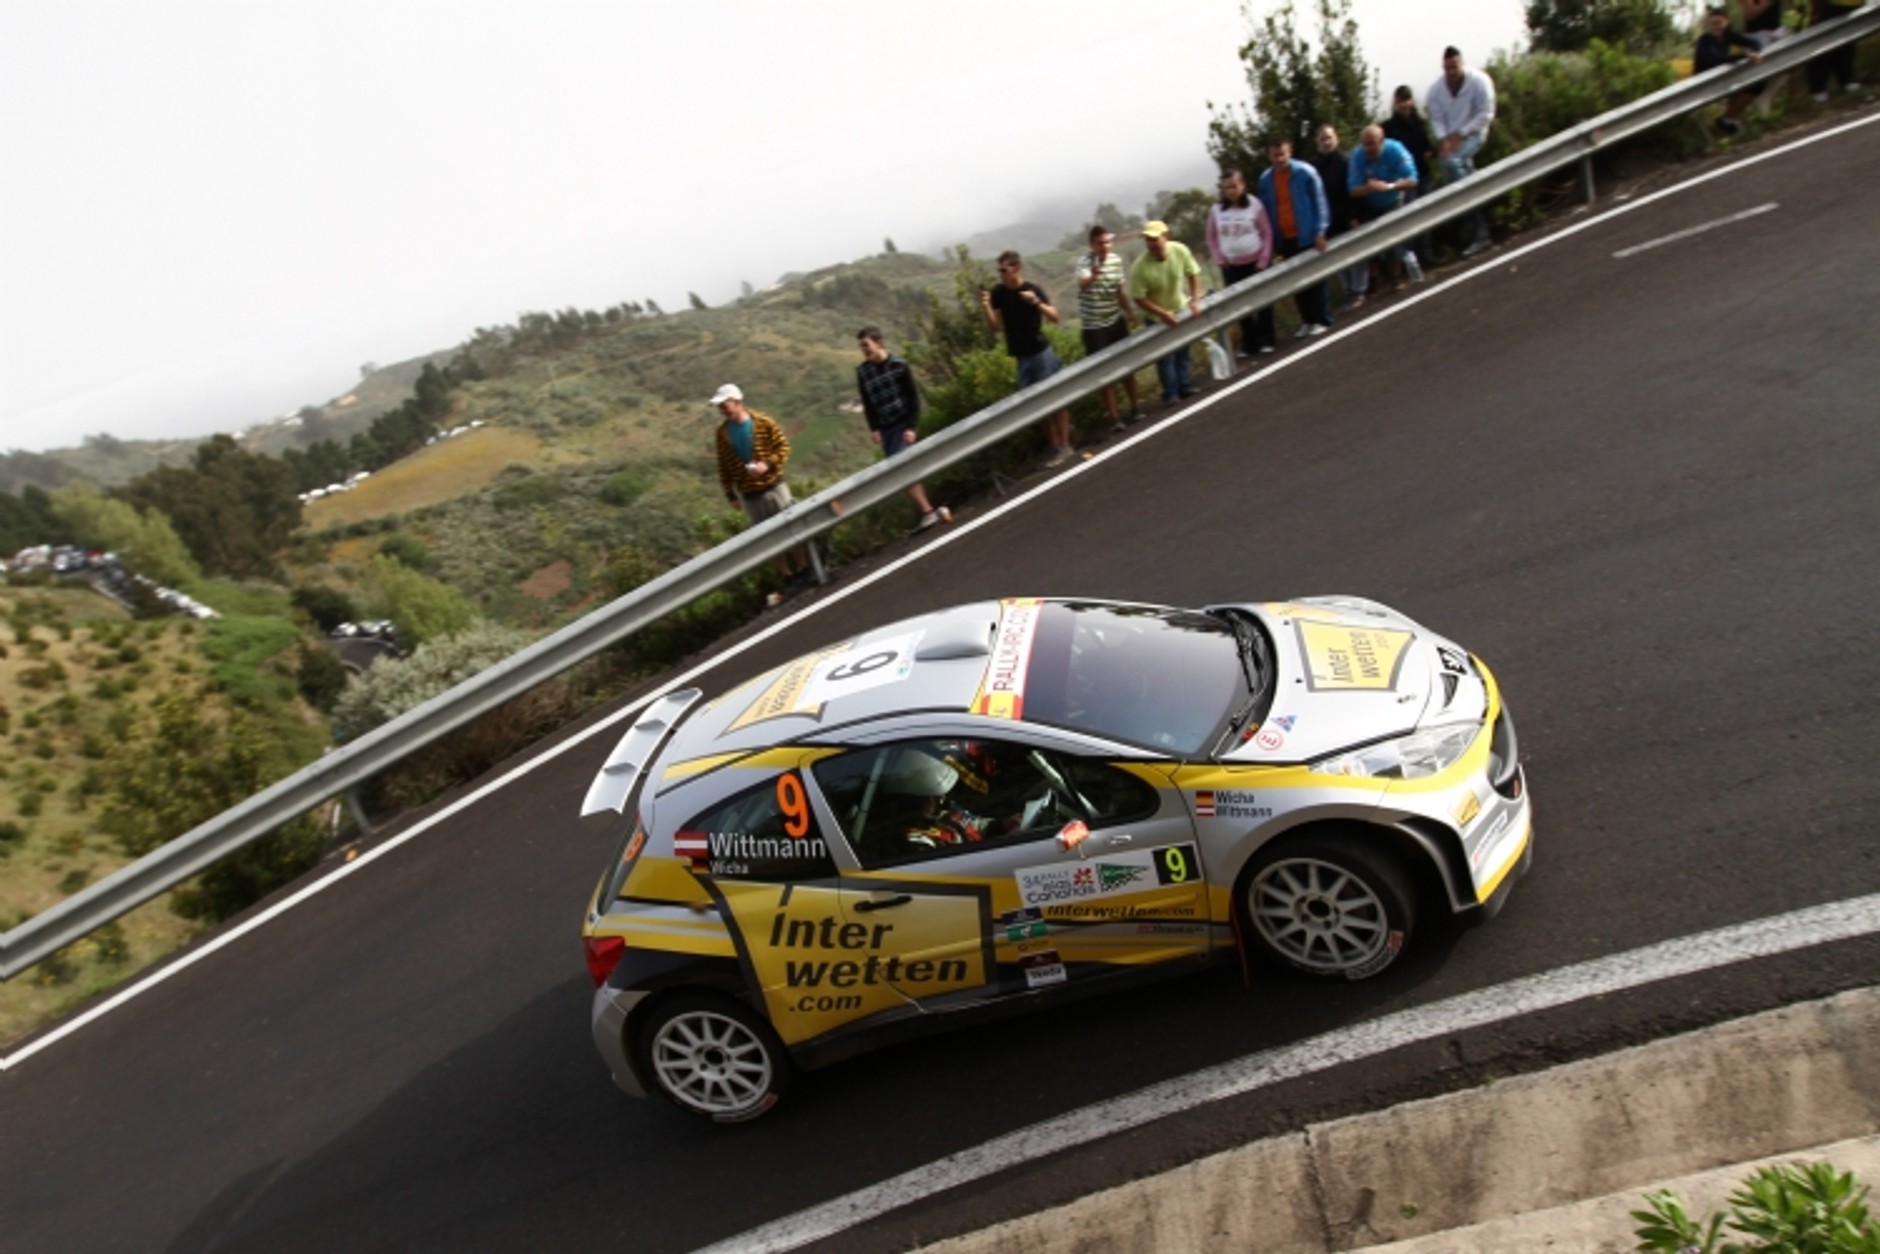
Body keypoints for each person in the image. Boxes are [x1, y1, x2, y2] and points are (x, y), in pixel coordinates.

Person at [710, 383, 808, 595]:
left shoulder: (763, 422)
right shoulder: (722, 433)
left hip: (774, 486)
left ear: (737, 402)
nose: (722, 409)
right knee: (768, 539)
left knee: (791, 527)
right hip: (749, 493)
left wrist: (768, 464)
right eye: (720, 406)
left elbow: (783, 447)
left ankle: (803, 568)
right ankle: (787, 576)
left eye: (725, 404)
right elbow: (723, 465)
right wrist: (730, 494)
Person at [980, 251, 1074, 467]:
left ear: (1016, 268)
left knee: (1055, 400)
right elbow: (994, 326)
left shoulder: (1032, 290)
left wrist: (1036, 303)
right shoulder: (999, 294)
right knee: (1035, 406)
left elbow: (1055, 316)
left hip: (1041, 352)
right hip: (1021, 356)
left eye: (1004, 269)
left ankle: (1065, 445)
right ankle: (1055, 444)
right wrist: (985, 305)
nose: (1001, 274)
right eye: (999, 270)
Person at [855, 327, 950, 531]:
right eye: (862, 347)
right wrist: (874, 428)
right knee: (902, 472)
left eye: (866, 345)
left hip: (902, 425)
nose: (864, 350)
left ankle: (927, 511)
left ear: (878, 342)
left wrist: (911, 426)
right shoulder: (863, 372)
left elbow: (912, 398)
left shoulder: (899, 366)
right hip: (886, 428)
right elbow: (868, 403)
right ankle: (931, 510)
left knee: (900, 470)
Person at [1256, 136, 1333, 338]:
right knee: (1296, 282)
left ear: (1289, 151)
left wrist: (1320, 231)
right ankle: (1307, 320)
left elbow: (1320, 202)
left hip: (1307, 235)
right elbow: (1265, 210)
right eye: (1275, 155)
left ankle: (1321, 319)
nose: (1279, 158)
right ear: (1269, 156)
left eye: (1282, 154)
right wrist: (1272, 241)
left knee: (1314, 279)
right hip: (1285, 238)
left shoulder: (1305, 172)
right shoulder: (1266, 180)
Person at [1427, 46, 1497, 257]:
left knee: (1452, 164)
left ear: (1462, 64)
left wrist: (1461, 134)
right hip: (1451, 138)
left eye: (1454, 66)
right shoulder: (1436, 90)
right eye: (1447, 67)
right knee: (1450, 166)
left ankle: (1480, 230)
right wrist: (1444, 139)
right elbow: (1437, 118)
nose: (1451, 71)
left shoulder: (1479, 82)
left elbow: (1486, 114)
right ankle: (1478, 203)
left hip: (1474, 132)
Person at [1074, 226, 1144, 430]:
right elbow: (1083, 283)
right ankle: (1114, 418)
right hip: (1094, 326)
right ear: (1091, 245)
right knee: (1103, 374)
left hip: (1115, 320)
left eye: (1107, 242)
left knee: (1126, 367)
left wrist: (1129, 313)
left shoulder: (1115, 261)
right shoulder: (1084, 263)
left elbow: (1119, 291)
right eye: (1099, 243)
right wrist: (1093, 275)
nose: (1104, 247)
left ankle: (1135, 407)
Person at [1127, 220, 1204, 405]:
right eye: (1147, 240)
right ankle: (1171, 393)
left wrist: (1195, 299)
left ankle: (1185, 386)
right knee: (1165, 358)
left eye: (1155, 239)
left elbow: (1193, 273)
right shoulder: (1140, 267)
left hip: (1180, 308)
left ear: (1166, 237)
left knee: (1183, 351)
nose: (1151, 244)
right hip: (1157, 318)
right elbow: (1139, 297)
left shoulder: (1179, 250)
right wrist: (1162, 313)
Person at [1206, 169, 1275, 357]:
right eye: (1227, 187)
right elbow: (1211, 237)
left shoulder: (1254, 204)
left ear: (1243, 185)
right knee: (1239, 307)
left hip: (1256, 263)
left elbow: (1267, 232)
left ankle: (1267, 340)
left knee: (1263, 302)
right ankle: (1250, 343)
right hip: (1231, 266)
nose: (1231, 191)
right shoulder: (1216, 210)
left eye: (1235, 186)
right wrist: (1219, 258)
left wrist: (1263, 259)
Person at [1347, 125, 1421, 291]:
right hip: (1369, 203)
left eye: (1371, 144)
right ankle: (1375, 279)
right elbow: (1352, 189)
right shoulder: (1357, 156)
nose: (1367, 149)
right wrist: (1369, 187)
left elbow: (1413, 179)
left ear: (1381, 141)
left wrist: (1389, 186)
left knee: (1393, 238)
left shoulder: (1396, 150)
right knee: (1370, 241)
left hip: (1392, 198)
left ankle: (1396, 276)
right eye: (1364, 144)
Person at [1380, 85, 1435, 276]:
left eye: (1406, 99)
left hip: (1423, 175)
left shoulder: (1419, 122)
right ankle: (1411, 262)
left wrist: (1430, 154)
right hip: (1403, 181)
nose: (1403, 104)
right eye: (1400, 100)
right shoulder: (1387, 128)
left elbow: (1428, 147)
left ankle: (1426, 256)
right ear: (1394, 103)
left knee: (1426, 218)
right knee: (1410, 221)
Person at [1311, 124, 1366, 310]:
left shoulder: (1346, 161)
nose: (1326, 142)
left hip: (1347, 215)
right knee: (1337, 257)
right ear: (1317, 142)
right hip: (1328, 220)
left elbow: (1353, 190)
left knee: (1355, 253)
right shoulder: (1314, 167)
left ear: (1337, 138)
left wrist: (1354, 216)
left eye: (1329, 138)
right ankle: (1348, 291)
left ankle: (1359, 291)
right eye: (1322, 139)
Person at [1695, 6, 1767, 134]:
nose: (1716, 27)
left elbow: (1754, 42)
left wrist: (1755, 52)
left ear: (1727, 22)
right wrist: (1745, 56)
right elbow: (1715, 60)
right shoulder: (1705, 41)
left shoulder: (1729, 35)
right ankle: (1727, 120)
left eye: (1719, 23)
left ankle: (1728, 118)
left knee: (1758, 85)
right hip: (1706, 83)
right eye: (1713, 24)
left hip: (1722, 77)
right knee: (1748, 85)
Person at [1805, 0, 1862, 102]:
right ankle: (1818, 88)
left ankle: (1846, 80)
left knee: (1847, 44)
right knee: (1823, 46)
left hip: (1853, 4)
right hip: (1829, 5)